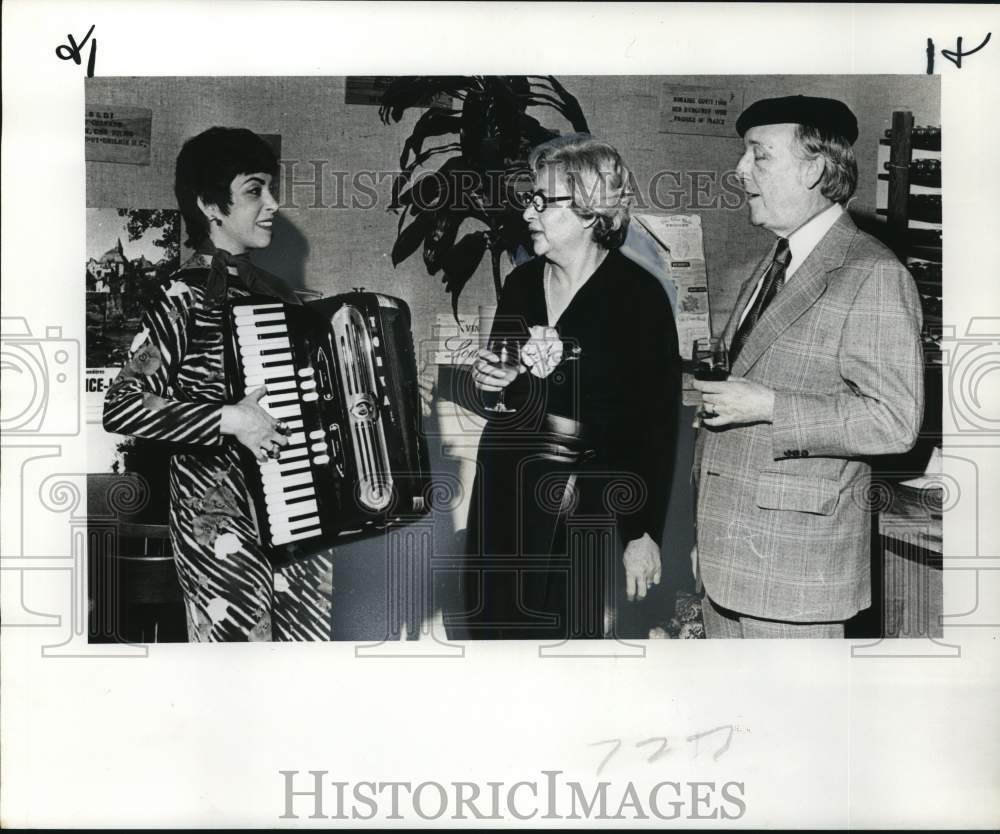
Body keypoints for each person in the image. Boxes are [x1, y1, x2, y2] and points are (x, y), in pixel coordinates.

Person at [692, 95, 924, 638]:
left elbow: (894, 420)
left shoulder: (872, 273)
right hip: (729, 559)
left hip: (795, 577)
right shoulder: (772, 265)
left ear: (815, 168)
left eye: (759, 156)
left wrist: (770, 406)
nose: (740, 170)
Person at [103, 126, 334, 641]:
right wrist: (229, 418)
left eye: (270, 188)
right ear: (211, 205)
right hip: (219, 527)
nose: (273, 204)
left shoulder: (274, 296)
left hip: (296, 512)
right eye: (255, 190)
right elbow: (121, 406)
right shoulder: (181, 294)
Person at [459, 134, 681, 639]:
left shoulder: (639, 299)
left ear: (589, 211)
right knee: (496, 639)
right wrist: (492, 381)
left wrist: (643, 533)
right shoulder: (519, 284)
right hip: (506, 496)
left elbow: (655, 427)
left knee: (573, 651)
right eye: (529, 200)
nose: (528, 214)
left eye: (543, 202)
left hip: (590, 507)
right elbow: (506, 390)